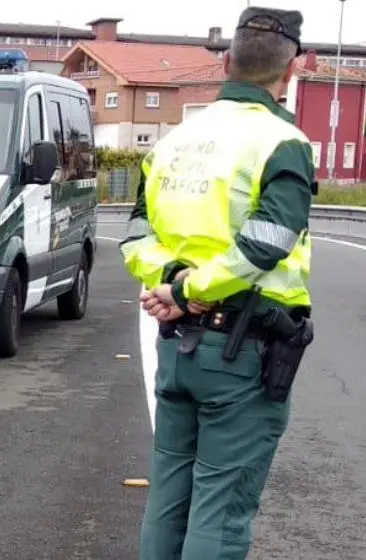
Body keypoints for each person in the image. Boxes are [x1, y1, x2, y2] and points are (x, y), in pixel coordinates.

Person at [118, 6, 317, 560]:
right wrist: (189, 292)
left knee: (169, 503)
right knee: (221, 511)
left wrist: (170, 284)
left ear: (226, 62)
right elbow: (267, 241)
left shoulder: (172, 143)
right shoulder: (282, 142)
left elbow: (135, 235)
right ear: (292, 70)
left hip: (179, 354)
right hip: (241, 351)